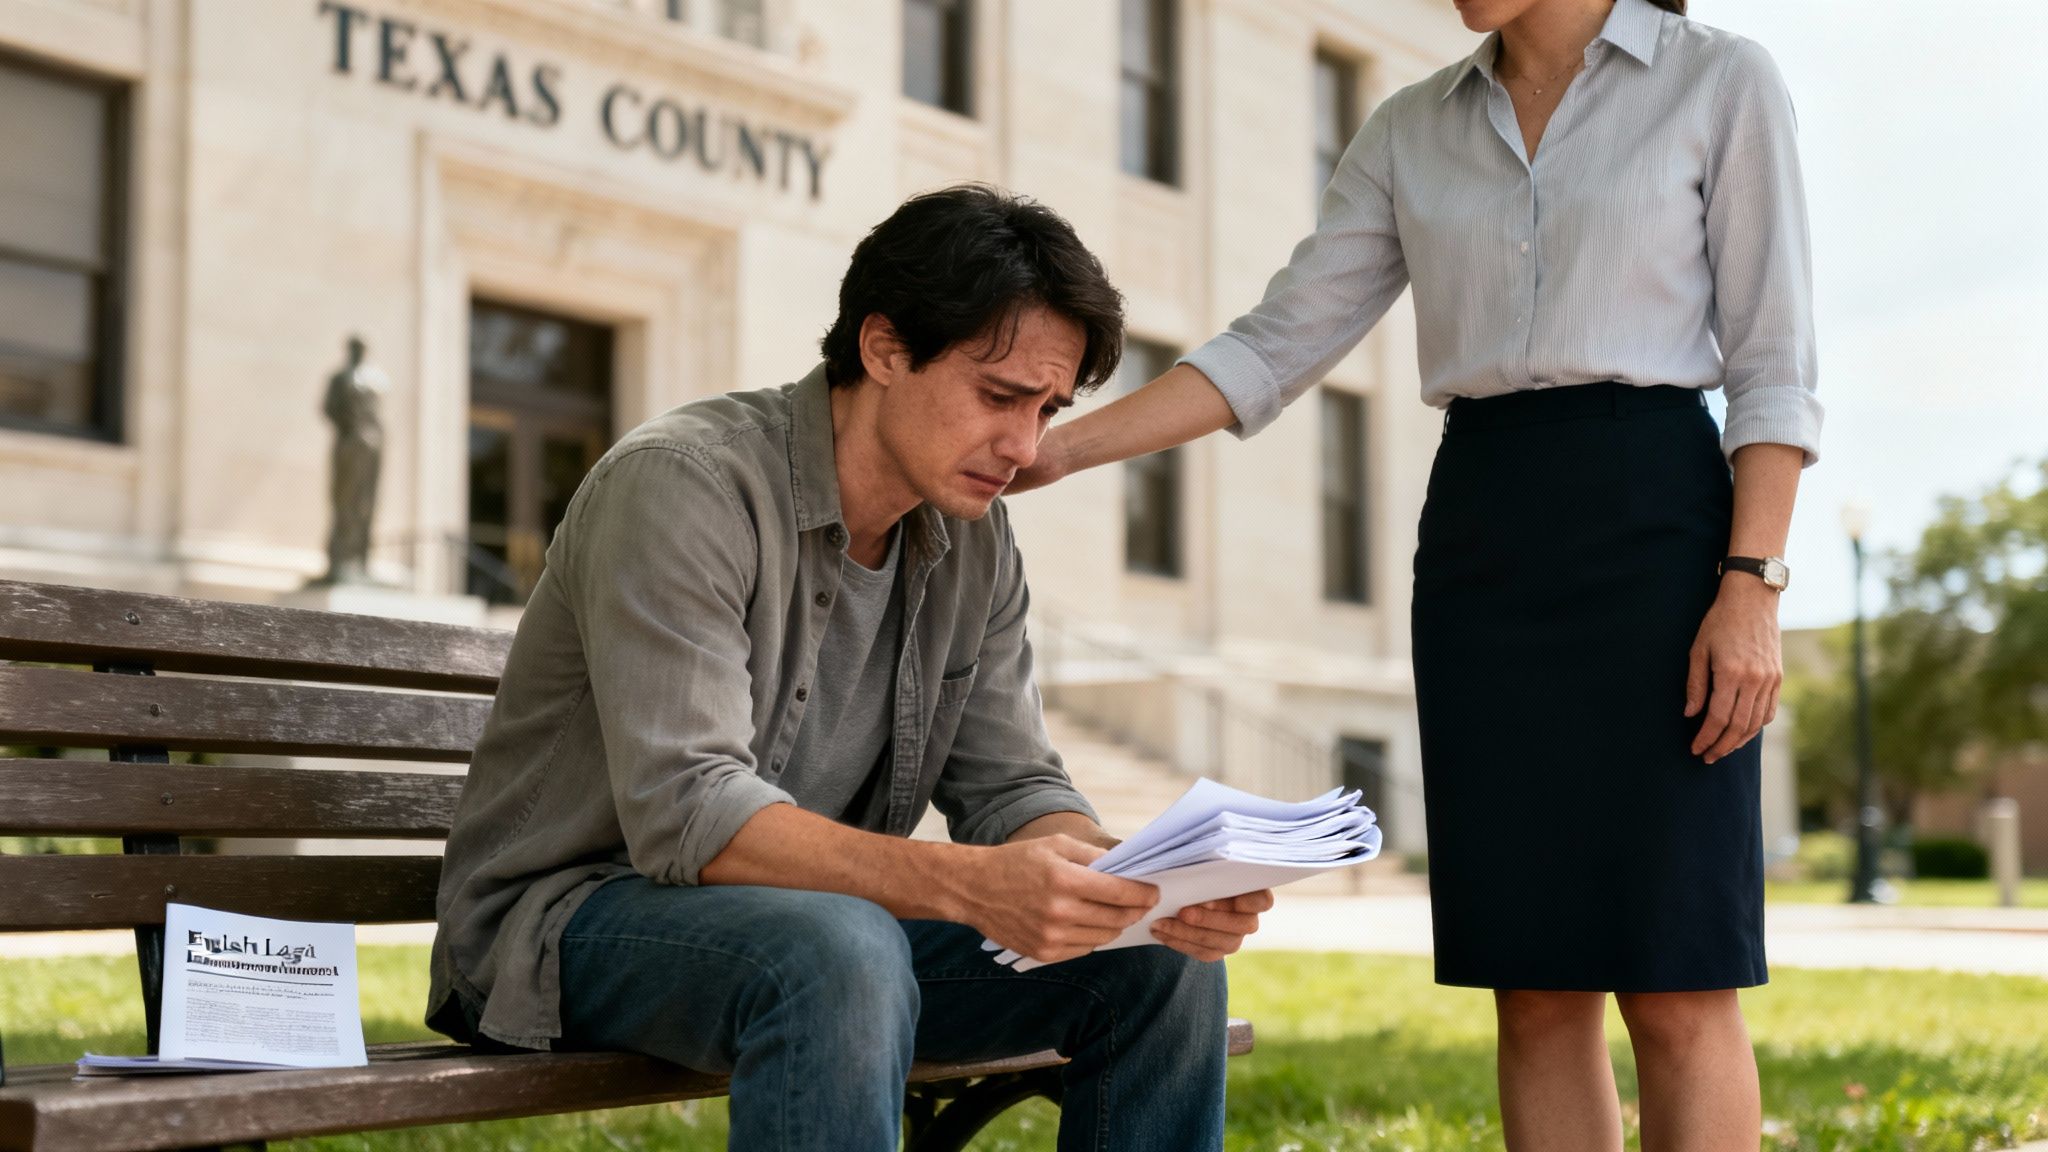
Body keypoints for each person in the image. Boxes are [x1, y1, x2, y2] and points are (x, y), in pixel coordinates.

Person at [1009, 1, 1817, 1148]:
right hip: (1485, 545)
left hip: (1662, 540)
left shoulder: (1718, 81)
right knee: (1530, 983)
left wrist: (1751, 585)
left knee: (1676, 976)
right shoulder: (1406, 128)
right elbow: (1275, 342)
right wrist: (1058, 447)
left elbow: (1774, 358)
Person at [426, 184, 1272, 1152]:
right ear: (880, 348)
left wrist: (1130, 884)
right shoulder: (683, 487)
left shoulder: (976, 542)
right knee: (840, 949)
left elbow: (1014, 785)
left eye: (1046, 408)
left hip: (825, 934)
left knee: (1155, 964)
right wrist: (968, 883)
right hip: (567, 925)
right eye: (999, 397)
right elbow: (688, 810)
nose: (1025, 446)